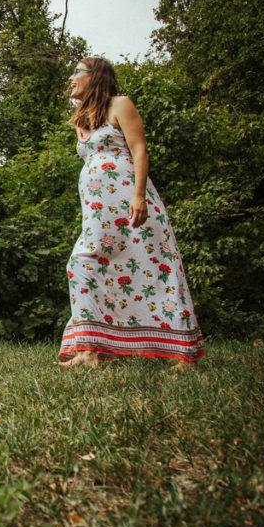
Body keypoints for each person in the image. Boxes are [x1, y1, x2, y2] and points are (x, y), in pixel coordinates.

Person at [58, 57, 204, 369]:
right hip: (99, 208)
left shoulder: (120, 104)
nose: (70, 78)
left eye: (76, 72)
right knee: (83, 263)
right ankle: (89, 350)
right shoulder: (84, 118)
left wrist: (139, 196)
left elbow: (138, 150)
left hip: (129, 199)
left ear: (94, 75)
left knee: (157, 264)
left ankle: (183, 354)